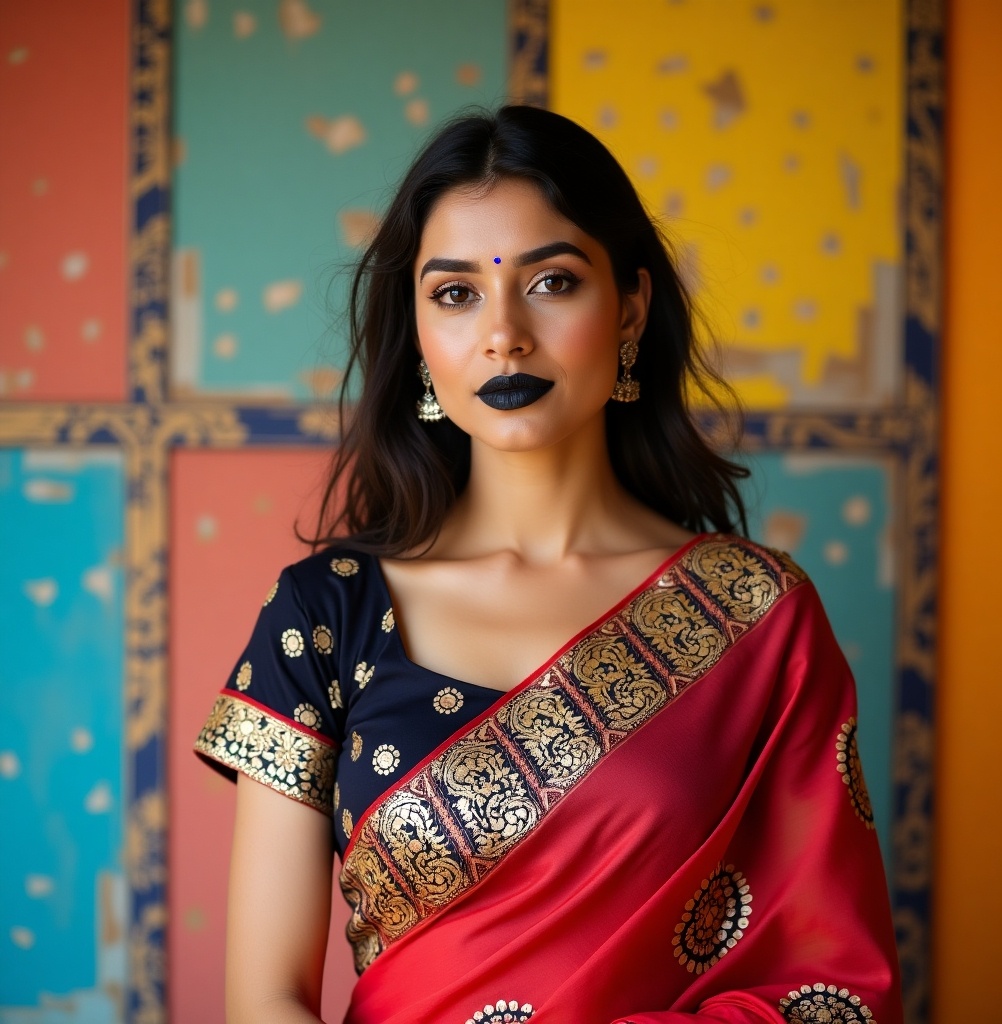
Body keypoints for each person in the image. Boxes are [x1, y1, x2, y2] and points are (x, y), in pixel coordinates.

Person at [195, 105, 901, 1024]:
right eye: (455, 294)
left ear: (632, 309)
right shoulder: (324, 617)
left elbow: (831, 993)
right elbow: (264, 1003)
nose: (503, 334)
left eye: (553, 282)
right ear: (416, 333)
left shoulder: (756, 614)